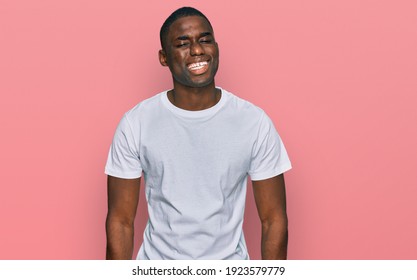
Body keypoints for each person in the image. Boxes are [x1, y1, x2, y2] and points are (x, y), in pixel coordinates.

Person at [105, 6, 292, 260]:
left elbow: (273, 219)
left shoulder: (253, 122)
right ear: (164, 57)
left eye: (205, 40)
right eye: (183, 43)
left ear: (216, 47)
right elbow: (121, 220)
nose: (197, 50)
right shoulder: (136, 123)